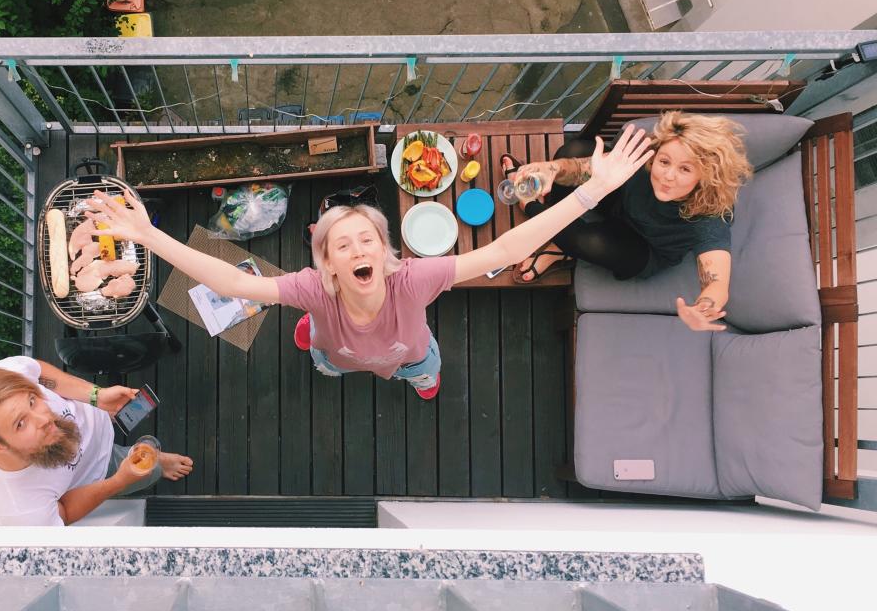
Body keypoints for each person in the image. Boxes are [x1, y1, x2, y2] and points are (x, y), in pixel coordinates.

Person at [87, 128, 653, 399]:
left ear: (388, 255)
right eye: (344, 244)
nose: (360, 249)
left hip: (408, 354)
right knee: (329, 361)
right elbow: (232, 279)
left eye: (369, 241)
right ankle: (320, 349)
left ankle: (420, 380)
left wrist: (589, 194)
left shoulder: (416, 278)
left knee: (422, 370)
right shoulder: (314, 289)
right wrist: (144, 235)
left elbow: (502, 253)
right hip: (341, 351)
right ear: (328, 266)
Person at [505, 111, 753, 332]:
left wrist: (704, 307)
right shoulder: (646, 157)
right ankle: (553, 218)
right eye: (664, 162)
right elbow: (581, 167)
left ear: (706, 175)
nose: (667, 176)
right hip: (618, 202)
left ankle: (535, 209)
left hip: (643, 247)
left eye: (685, 169)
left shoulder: (711, 214)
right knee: (572, 151)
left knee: (586, 241)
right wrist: (552, 169)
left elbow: (716, 281)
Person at [0, 356, 193, 526]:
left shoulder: (5, 376)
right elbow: (64, 513)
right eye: (20, 423)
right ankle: (159, 462)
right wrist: (118, 481)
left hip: (100, 420)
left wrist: (96, 397)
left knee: (138, 454)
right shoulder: (20, 508)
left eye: (33, 401)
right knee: (150, 469)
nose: (45, 418)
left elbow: (38, 371)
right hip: (101, 472)